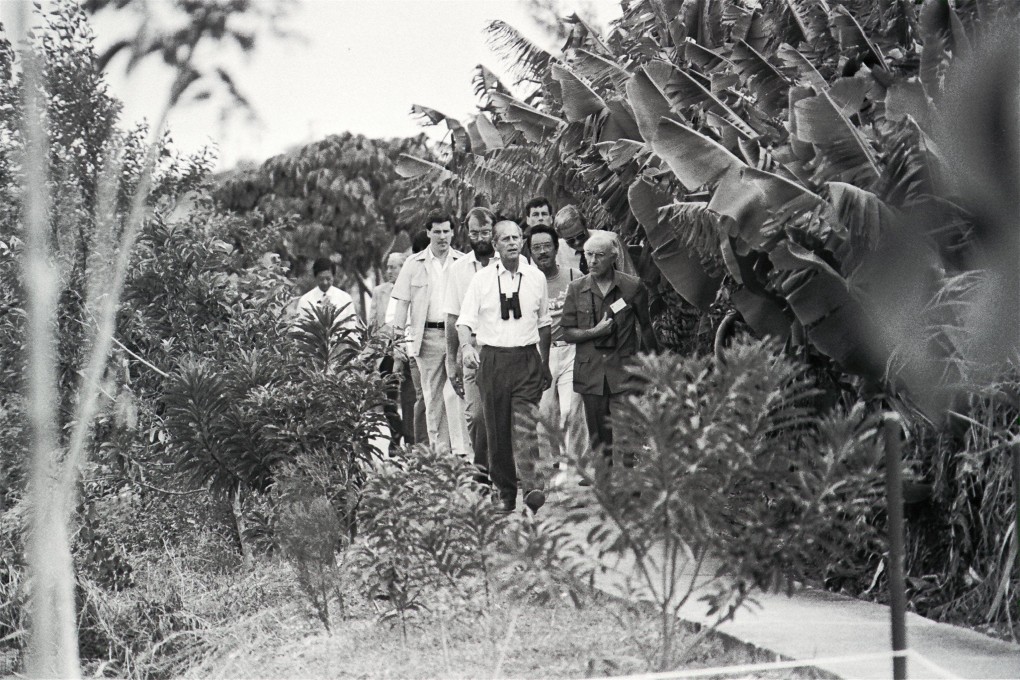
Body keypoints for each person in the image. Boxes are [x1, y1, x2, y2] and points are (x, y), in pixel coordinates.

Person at [457, 220, 552, 514]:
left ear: (522, 241)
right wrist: (466, 347)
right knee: (497, 432)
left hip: (526, 359)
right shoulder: (482, 280)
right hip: (493, 360)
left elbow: (544, 324)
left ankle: (532, 487)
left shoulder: (536, 277)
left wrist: (545, 363)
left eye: (516, 237)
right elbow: (464, 322)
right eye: (505, 239)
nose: (512, 243)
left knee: (525, 426)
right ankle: (505, 493)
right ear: (495, 245)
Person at [560, 232, 658, 475]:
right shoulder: (576, 288)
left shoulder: (632, 287)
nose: (592, 261)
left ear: (614, 257)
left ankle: (628, 488)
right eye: (588, 255)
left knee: (626, 436)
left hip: (623, 373)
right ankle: (605, 488)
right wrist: (594, 332)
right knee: (599, 440)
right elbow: (568, 333)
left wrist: (655, 365)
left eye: (599, 255)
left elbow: (646, 327)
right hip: (591, 374)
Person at [386, 214, 469, 456]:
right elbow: (402, 305)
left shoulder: (463, 262)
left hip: (457, 336)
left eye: (446, 231)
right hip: (427, 338)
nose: (442, 236)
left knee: (462, 394)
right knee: (433, 400)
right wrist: (398, 344)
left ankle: (465, 454)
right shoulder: (413, 264)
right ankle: (440, 457)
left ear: (452, 232)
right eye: (437, 232)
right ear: (429, 233)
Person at [526, 225, 587, 479]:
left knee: (572, 411)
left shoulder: (574, 276)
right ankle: (549, 466)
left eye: (546, 246)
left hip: (571, 350)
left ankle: (572, 470)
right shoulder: (526, 281)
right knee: (544, 414)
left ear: (556, 247)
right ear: (530, 252)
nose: (542, 252)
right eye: (536, 248)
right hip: (541, 354)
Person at [445, 207, 497, 483]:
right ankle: (481, 470)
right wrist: (451, 359)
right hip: (473, 348)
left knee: (504, 412)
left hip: (506, 345)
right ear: (467, 233)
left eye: (485, 232)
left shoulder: (513, 261)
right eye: (474, 233)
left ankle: (504, 471)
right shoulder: (458, 269)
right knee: (476, 414)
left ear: (494, 231)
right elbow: (452, 317)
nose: (480, 238)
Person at [372, 251, 415, 445]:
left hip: (408, 348)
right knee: (387, 398)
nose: (389, 271)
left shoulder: (413, 288)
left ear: (403, 268)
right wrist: (371, 353)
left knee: (409, 397)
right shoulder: (379, 292)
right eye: (387, 267)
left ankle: (410, 436)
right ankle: (396, 432)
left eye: (393, 267)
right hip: (386, 351)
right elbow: (373, 324)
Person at [553, 205, 637, 277]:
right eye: (570, 240)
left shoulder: (611, 240)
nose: (577, 242)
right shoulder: (557, 249)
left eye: (580, 236)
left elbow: (630, 278)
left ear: (585, 225)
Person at [297, 257, 357, 326]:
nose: (325, 282)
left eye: (328, 279)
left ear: (333, 276)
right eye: (321, 279)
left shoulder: (345, 299)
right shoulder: (305, 300)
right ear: (315, 277)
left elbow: (352, 326)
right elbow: (298, 326)